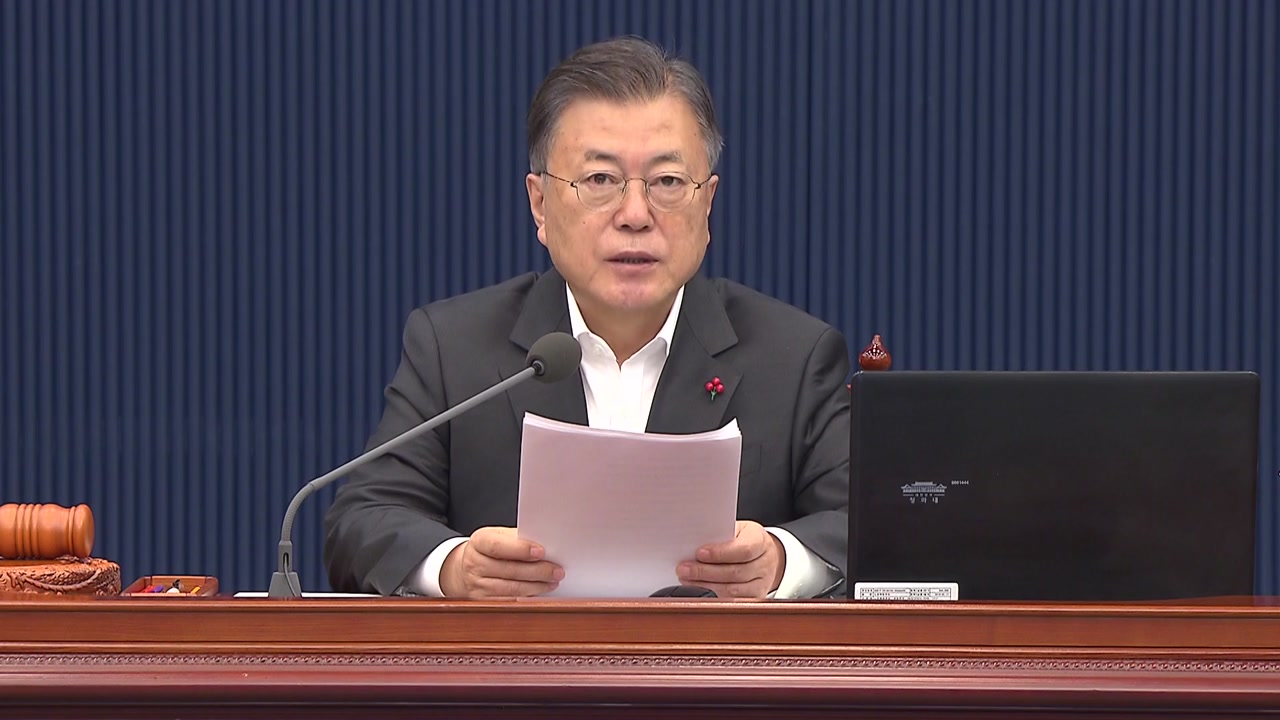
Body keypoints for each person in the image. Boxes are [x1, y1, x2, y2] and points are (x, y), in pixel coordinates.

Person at [323, 36, 850, 600]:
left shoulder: (793, 358)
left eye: (668, 182)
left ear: (707, 203)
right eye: (600, 180)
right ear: (540, 204)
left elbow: (867, 524)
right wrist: (455, 568)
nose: (635, 214)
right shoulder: (454, 348)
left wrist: (780, 562)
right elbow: (363, 520)